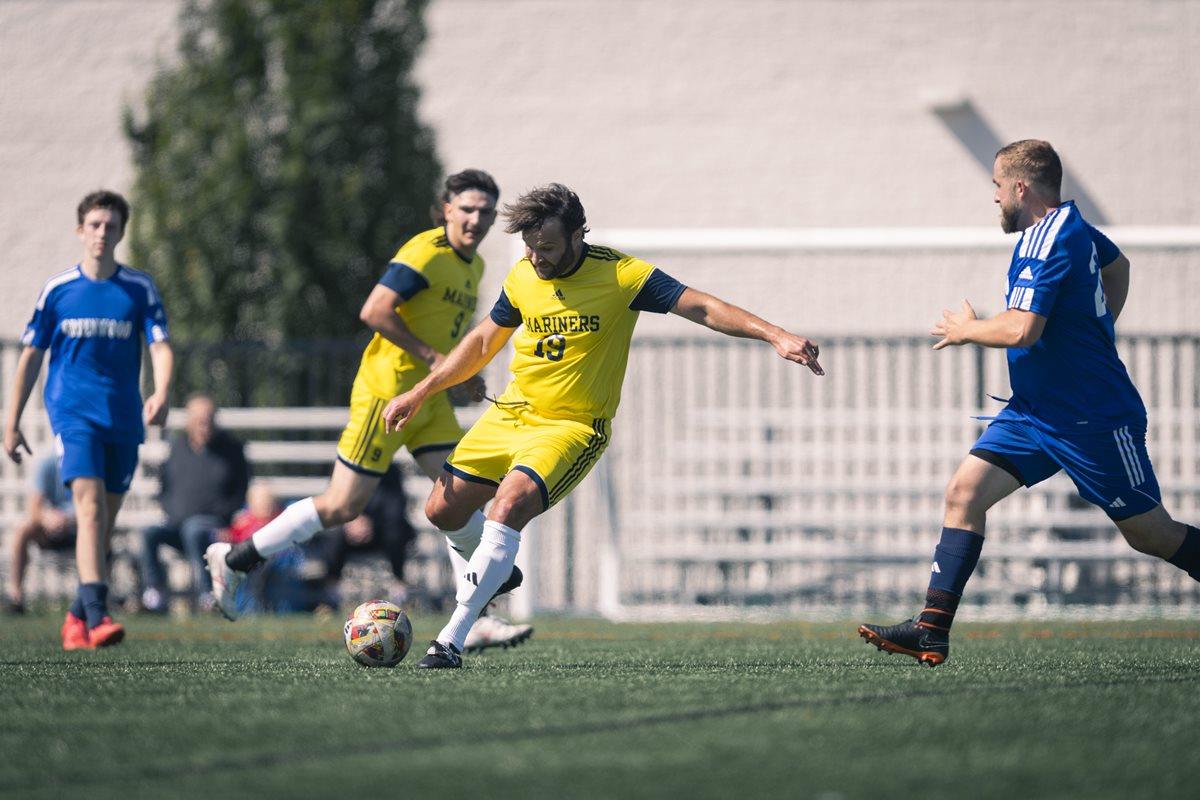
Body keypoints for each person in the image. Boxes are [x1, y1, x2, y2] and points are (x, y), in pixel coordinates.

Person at [367, 183, 821, 668]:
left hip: (571, 427)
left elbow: (703, 307)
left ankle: (451, 640)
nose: (537, 258)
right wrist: (422, 391)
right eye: (530, 247)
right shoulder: (523, 276)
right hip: (510, 414)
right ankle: (497, 570)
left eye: (547, 247)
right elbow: (482, 343)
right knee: (441, 511)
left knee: (508, 505)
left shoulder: (622, 275)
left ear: (578, 235)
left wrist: (775, 335)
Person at [858, 140, 1200, 666]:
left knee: (1151, 535)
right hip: (1033, 412)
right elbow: (1120, 268)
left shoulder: (1048, 240)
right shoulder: (1070, 228)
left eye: (997, 185)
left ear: (1020, 187)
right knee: (964, 493)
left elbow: (1021, 329)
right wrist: (1094, 328)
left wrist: (968, 330)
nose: (994, 197)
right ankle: (930, 629)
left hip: (1092, 418)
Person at [207, 170, 528, 648]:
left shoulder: (473, 266)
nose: (475, 219)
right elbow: (375, 309)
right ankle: (235, 559)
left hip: (428, 401)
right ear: (446, 210)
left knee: (459, 498)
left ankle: (477, 613)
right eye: (467, 209)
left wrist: (456, 372)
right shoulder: (425, 252)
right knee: (342, 505)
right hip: (386, 395)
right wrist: (434, 360)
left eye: (485, 211)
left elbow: (443, 333)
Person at [4, 189, 173, 649]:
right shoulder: (58, 290)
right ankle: (99, 616)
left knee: (103, 522)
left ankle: (76, 616)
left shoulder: (138, 289)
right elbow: (31, 357)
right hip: (73, 413)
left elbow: (160, 345)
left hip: (123, 416)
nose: (102, 233)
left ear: (120, 232)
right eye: (95, 225)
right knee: (90, 507)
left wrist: (160, 392)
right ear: (80, 230)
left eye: (110, 226)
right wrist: (11, 420)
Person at [139, 393, 248, 612]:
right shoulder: (177, 448)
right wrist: (171, 510)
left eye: (208, 420)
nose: (203, 425)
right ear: (188, 421)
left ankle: (208, 595)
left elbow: (240, 492)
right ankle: (155, 592)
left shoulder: (232, 450)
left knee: (194, 529)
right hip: (177, 525)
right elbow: (164, 487)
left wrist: (225, 519)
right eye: (199, 420)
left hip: (214, 528)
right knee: (149, 533)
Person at [5, 456, 77, 614]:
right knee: (23, 529)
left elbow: (97, 507)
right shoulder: (48, 463)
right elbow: (34, 507)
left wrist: (68, 519)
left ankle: (94, 598)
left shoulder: (87, 463)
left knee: (95, 527)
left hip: (80, 531)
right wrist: (47, 518)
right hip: (48, 531)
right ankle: (15, 597)